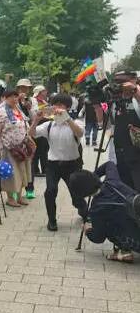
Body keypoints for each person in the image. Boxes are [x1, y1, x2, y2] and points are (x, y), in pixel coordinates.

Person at [29, 93, 88, 231]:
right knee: (50, 191)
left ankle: (85, 212)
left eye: (61, 105)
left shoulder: (76, 122)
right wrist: (36, 120)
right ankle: (52, 220)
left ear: (67, 107)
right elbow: (32, 133)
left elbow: (79, 133)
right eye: (55, 105)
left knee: (76, 194)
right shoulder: (49, 125)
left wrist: (67, 118)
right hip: (53, 165)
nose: (57, 108)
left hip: (72, 164)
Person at [69, 162, 139, 262]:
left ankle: (124, 252)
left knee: (108, 226)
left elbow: (98, 238)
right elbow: (109, 164)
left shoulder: (96, 209)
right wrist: (94, 176)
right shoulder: (112, 181)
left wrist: (88, 230)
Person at [0, 88, 33, 208]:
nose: (14, 99)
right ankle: (10, 198)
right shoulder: (2, 112)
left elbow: (25, 125)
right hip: (9, 148)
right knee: (11, 173)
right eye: (10, 97)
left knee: (21, 172)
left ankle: (19, 196)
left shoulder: (18, 110)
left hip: (22, 147)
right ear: (5, 98)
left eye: (15, 96)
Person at [110, 71, 140, 191]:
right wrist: (97, 104)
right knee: (126, 190)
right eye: (117, 82)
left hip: (137, 153)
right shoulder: (115, 100)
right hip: (121, 153)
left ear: (134, 80)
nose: (120, 85)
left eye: (123, 82)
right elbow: (104, 122)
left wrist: (135, 91)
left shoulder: (136, 95)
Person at [30, 85, 50, 177]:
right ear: (39, 92)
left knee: (44, 149)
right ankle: (35, 169)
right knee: (37, 149)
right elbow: (33, 113)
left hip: (44, 125)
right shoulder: (33, 101)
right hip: (36, 126)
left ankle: (45, 169)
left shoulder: (44, 101)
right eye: (44, 91)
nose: (46, 92)